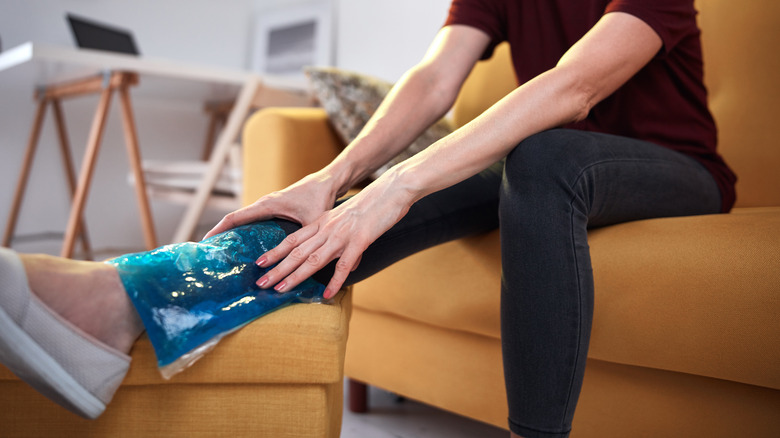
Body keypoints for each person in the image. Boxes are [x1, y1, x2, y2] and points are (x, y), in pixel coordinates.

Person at [0, 0, 734, 436]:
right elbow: (433, 79)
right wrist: (335, 178)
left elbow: (575, 85)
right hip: (549, 162)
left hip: (672, 169)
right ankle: (118, 301)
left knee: (535, 156)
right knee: (350, 208)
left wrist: (399, 185)